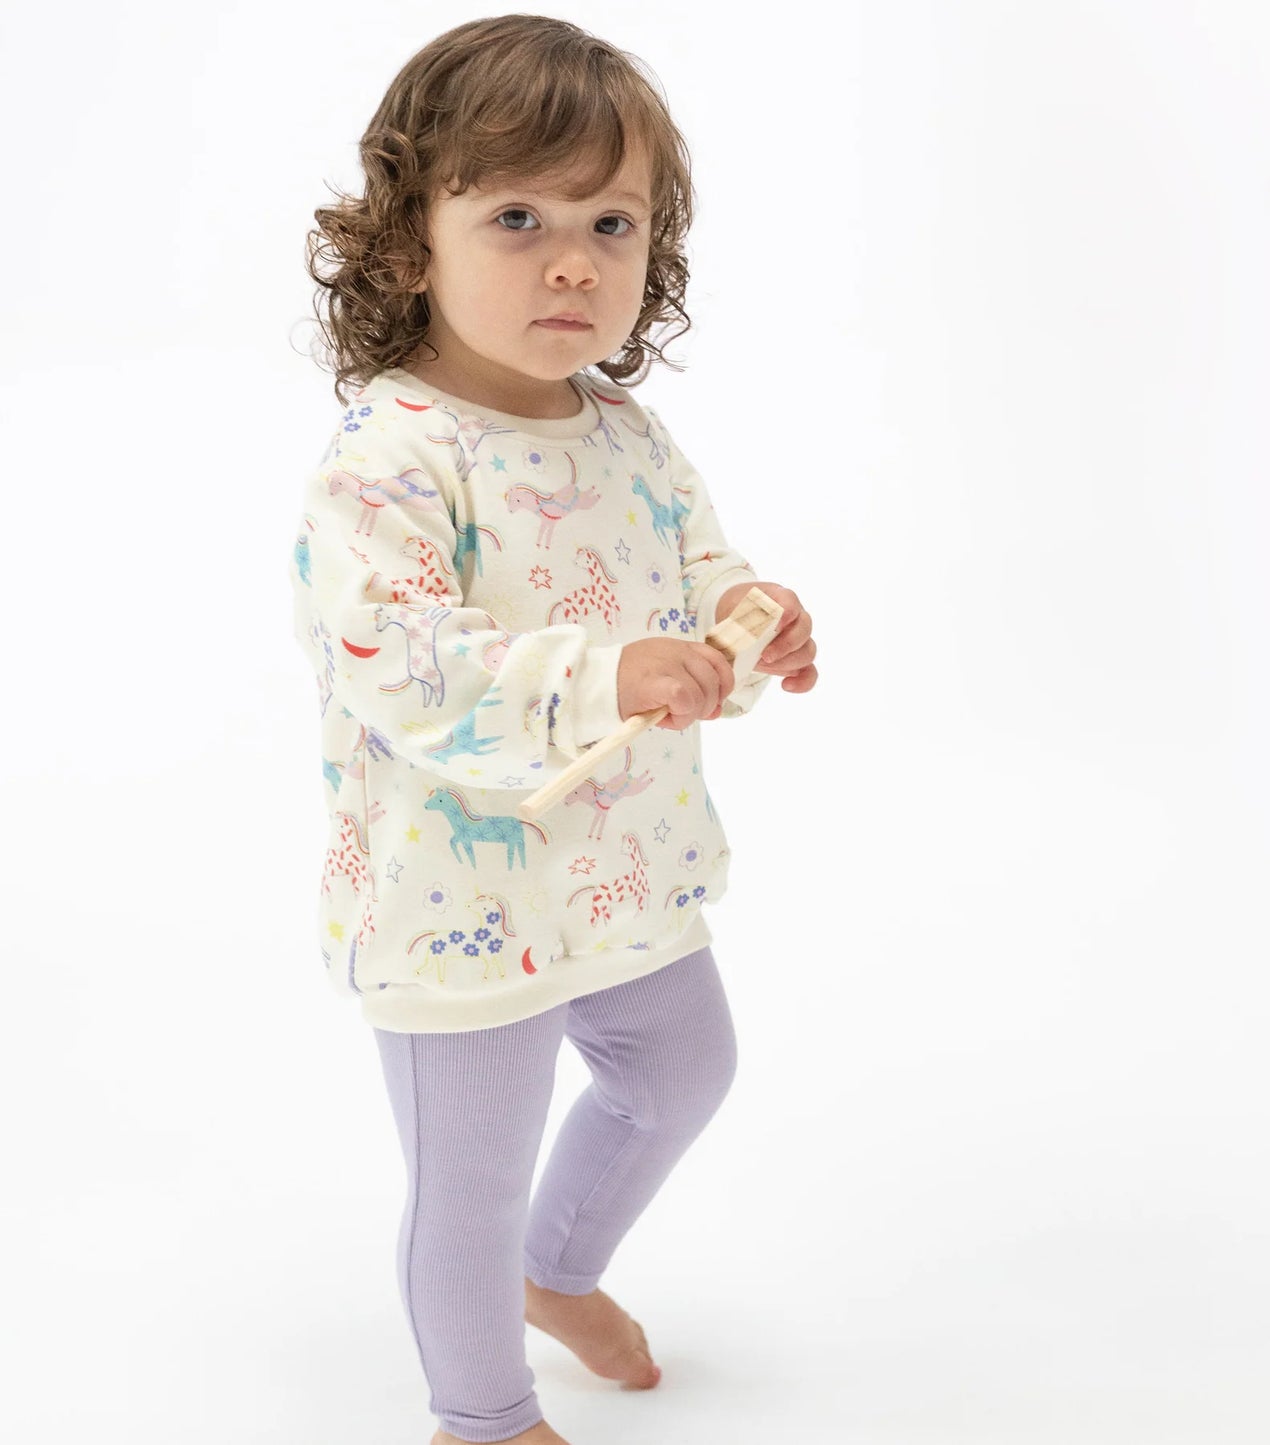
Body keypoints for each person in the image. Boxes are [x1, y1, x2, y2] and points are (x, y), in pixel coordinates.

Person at [289, 15, 818, 1445]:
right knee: (469, 1174)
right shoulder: (389, 457)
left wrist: (748, 628)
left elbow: (695, 583)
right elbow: (402, 665)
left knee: (681, 1069)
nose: (573, 261)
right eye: (517, 218)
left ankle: (555, 1269)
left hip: (618, 862)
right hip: (454, 896)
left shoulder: (627, 432)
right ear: (411, 242)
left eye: (610, 222)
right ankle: (480, 1413)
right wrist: (609, 674)